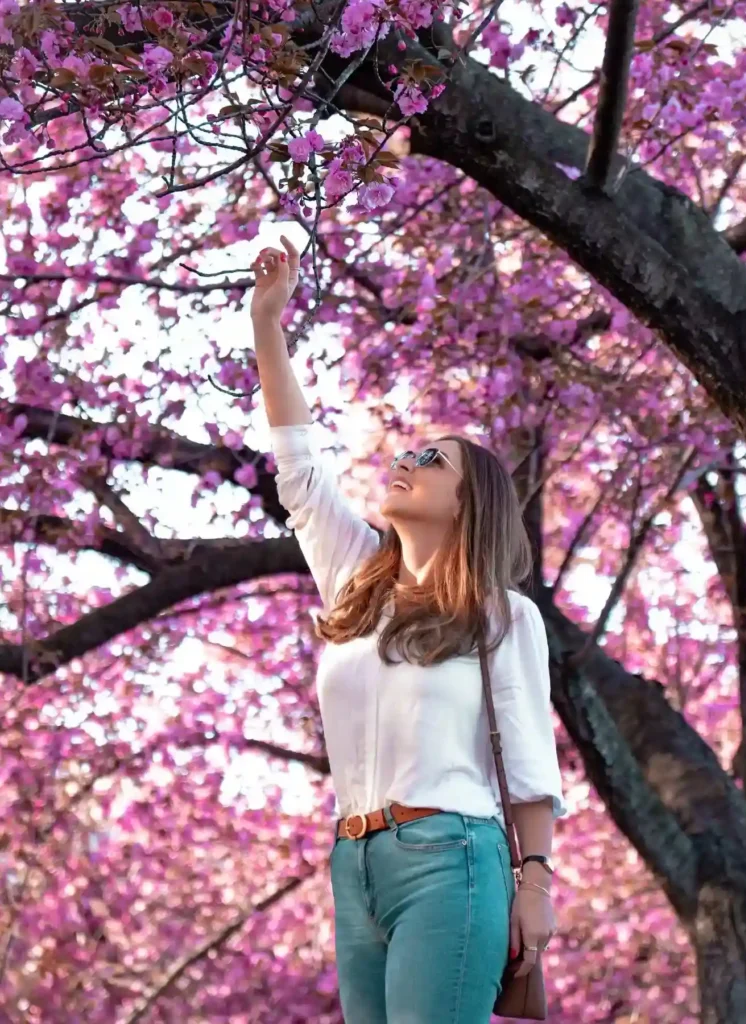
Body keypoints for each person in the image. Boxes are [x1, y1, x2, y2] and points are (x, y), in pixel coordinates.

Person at [250, 237, 567, 1024]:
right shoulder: (356, 580)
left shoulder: (501, 614)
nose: (407, 459)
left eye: (433, 459)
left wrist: (535, 884)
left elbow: (528, 763)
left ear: (468, 502)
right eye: (410, 449)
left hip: (451, 859)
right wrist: (267, 326)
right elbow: (299, 469)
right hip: (352, 861)